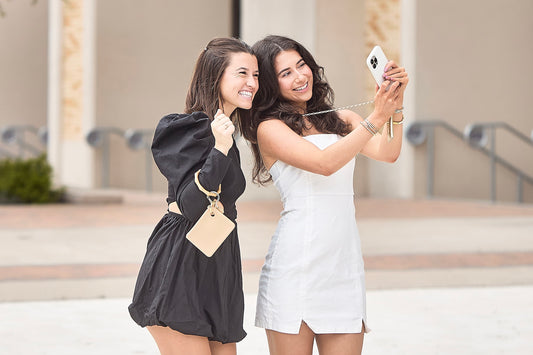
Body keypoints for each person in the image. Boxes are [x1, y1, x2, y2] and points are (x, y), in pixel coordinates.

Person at [240, 35, 409, 355]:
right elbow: (324, 163)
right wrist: (376, 116)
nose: (300, 76)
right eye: (285, 73)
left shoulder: (343, 120)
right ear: (271, 84)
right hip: (295, 266)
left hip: (343, 265)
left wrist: (395, 109)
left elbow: (388, 153)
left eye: (301, 65)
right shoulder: (270, 128)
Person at [128, 37, 259, 355]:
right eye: (242, 73)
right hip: (181, 263)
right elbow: (190, 204)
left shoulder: (225, 129)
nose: (251, 83)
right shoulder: (186, 128)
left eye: (255, 75)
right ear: (215, 76)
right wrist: (219, 149)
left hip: (217, 263)